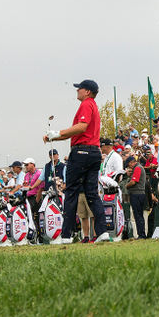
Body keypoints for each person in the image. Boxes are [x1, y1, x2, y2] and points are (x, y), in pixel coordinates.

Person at [44, 80, 108, 244]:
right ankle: (102, 233)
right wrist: (55, 136)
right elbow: (74, 133)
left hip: (81, 153)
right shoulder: (92, 105)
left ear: (87, 91)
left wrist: (57, 132)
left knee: (71, 193)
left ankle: (66, 235)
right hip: (94, 152)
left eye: (79, 88)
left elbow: (81, 127)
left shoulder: (86, 104)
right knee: (92, 193)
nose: (77, 90)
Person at [126, 154, 148, 239]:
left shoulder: (138, 168)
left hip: (137, 194)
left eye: (129, 165)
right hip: (139, 194)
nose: (129, 167)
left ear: (132, 162)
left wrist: (126, 186)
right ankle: (141, 234)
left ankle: (141, 235)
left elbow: (133, 182)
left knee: (138, 215)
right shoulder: (138, 168)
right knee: (138, 215)